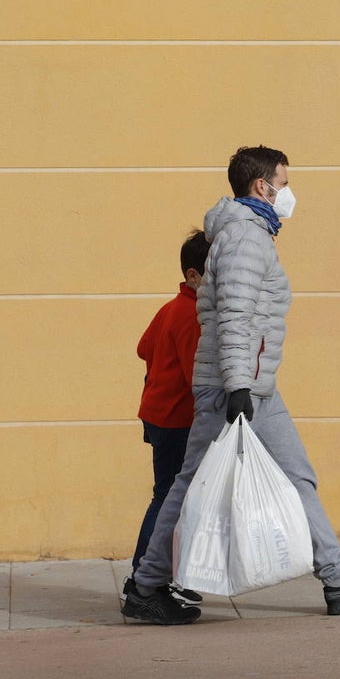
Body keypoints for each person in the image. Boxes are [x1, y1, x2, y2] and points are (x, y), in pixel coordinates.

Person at [121, 145, 340, 624]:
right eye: (284, 184)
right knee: (186, 486)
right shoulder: (246, 239)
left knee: (297, 476)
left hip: (254, 381)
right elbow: (234, 316)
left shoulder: (247, 235)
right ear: (261, 186)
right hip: (236, 384)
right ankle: (146, 587)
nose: (288, 193)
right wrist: (236, 387)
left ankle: (336, 580)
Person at [123, 229, 210, 606]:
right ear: (194, 276)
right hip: (178, 421)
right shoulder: (192, 315)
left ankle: (160, 573)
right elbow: (198, 379)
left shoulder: (170, 307)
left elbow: (144, 348)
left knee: (173, 496)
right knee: (168, 498)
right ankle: (144, 574)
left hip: (159, 416)